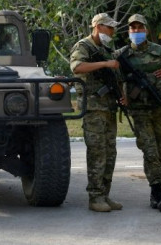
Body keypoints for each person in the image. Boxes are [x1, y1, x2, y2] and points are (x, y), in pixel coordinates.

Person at [117, 13, 161, 212]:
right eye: (133, 28)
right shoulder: (122, 55)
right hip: (139, 111)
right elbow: (113, 76)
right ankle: (157, 190)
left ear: (146, 30)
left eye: (140, 28)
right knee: (149, 149)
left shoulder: (159, 51)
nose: (136, 31)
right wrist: (121, 96)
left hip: (160, 109)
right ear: (129, 31)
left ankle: (157, 187)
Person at [69, 12, 123, 212]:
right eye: (109, 28)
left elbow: (115, 76)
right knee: (97, 152)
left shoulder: (107, 48)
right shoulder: (83, 46)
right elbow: (77, 67)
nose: (112, 31)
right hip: (93, 109)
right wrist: (105, 63)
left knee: (110, 153)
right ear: (98, 27)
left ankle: (105, 195)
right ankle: (95, 197)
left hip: (108, 107)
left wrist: (121, 96)